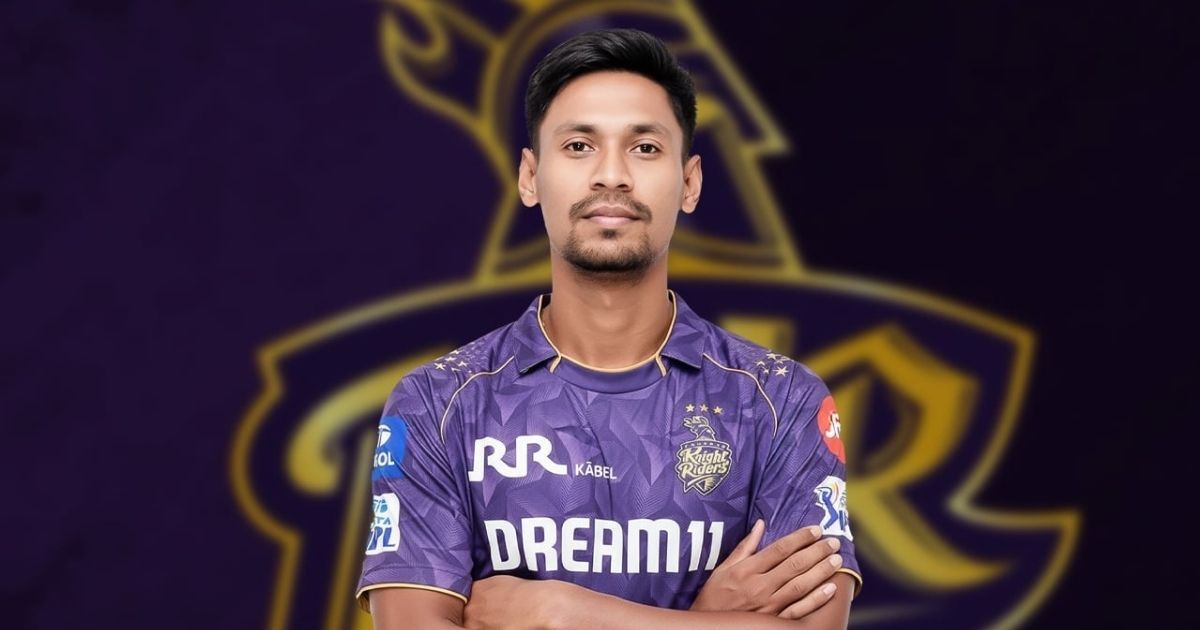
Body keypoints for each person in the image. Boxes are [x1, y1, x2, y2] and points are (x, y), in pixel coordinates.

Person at [356, 28, 862, 629]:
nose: (612, 175)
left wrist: (561, 611)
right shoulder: (438, 404)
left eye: (644, 147)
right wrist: (709, 620)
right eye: (578, 146)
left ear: (691, 182)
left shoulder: (781, 401)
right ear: (529, 176)